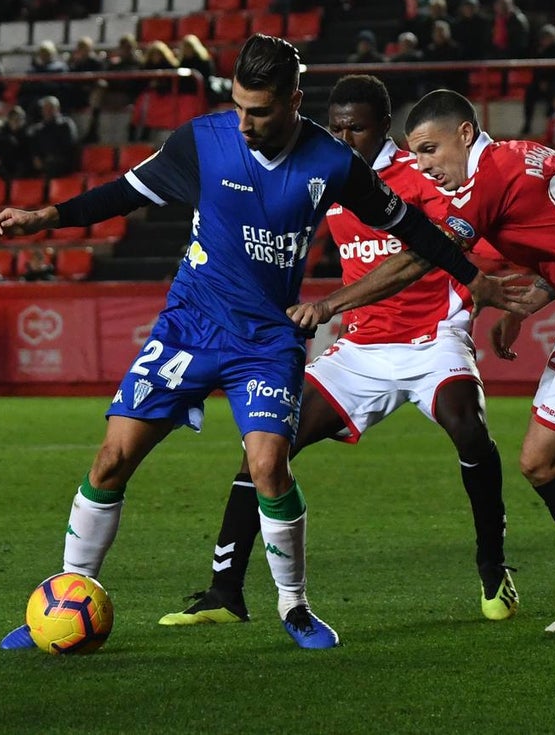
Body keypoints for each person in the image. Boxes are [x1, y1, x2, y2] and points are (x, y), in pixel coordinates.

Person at [0, 34, 530, 652]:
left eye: (260, 111)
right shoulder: (203, 140)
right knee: (112, 459)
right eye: (239, 107)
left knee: (270, 466)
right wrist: (46, 218)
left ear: (294, 101)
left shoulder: (331, 162)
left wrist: (473, 280)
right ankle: (68, 594)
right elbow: (125, 193)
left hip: (267, 339)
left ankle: (294, 606)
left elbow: (413, 229)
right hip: (191, 325)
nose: (245, 124)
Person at [159, 74, 516, 628]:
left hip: (433, 338)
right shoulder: (326, 177)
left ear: (385, 127)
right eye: (337, 128)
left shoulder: (420, 176)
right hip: (362, 348)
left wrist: (510, 303)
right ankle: (224, 592)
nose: (345, 138)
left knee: (468, 426)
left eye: (358, 128)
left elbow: (476, 245)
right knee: (267, 448)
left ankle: (493, 568)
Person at [329, 87, 555, 633]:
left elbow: (421, 258)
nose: (423, 166)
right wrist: (531, 300)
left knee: (540, 462)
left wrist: (329, 305)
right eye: (415, 154)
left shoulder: (483, 183)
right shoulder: (527, 154)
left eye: (430, 150)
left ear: (465, 133)